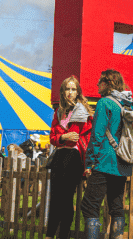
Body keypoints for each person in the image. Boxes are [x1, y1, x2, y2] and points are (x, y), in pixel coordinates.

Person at [81, 69, 133, 239]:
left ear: (108, 83)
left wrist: (89, 163)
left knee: (89, 206)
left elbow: (97, 135)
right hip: (123, 163)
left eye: (99, 81)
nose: (97, 84)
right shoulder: (128, 105)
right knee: (116, 205)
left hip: (104, 161)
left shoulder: (104, 103)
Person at [46, 75, 93, 239]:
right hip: (59, 156)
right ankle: (49, 235)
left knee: (65, 201)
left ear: (78, 92)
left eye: (74, 89)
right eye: (68, 89)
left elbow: (81, 137)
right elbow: (52, 138)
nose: (70, 92)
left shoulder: (82, 111)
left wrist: (88, 163)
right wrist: (63, 138)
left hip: (74, 157)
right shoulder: (58, 112)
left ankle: (62, 236)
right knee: (55, 199)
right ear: (63, 92)